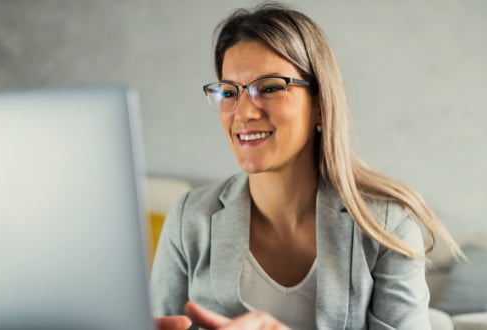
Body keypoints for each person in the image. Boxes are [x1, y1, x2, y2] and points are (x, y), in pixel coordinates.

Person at [151, 2, 462, 329]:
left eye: (269, 88)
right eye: (229, 92)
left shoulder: (386, 226)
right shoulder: (190, 217)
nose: (243, 112)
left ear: (320, 105)